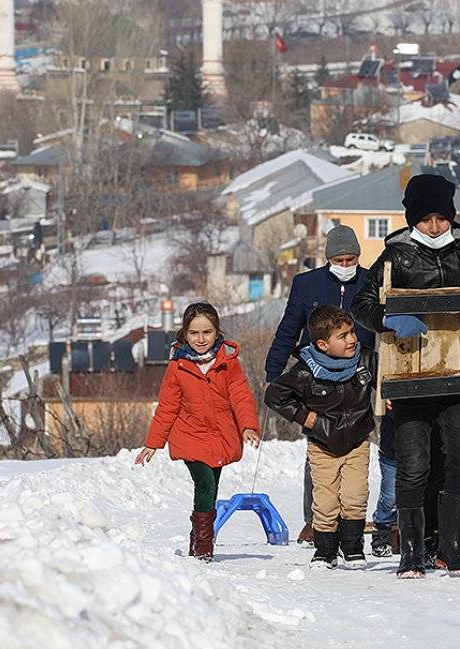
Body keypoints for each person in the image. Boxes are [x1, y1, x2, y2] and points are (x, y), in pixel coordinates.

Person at [352, 173, 460, 577]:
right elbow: (362, 304)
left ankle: (452, 547)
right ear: (412, 219)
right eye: (426, 220)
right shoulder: (396, 257)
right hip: (411, 377)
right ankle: (412, 550)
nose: (435, 227)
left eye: (442, 218)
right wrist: (390, 319)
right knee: (414, 465)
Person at [264, 224, 378, 548]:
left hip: (358, 371)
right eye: (340, 259)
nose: (346, 265)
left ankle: (348, 520)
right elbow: (288, 329)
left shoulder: (370, 282)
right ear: (329, 259)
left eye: (351, 258)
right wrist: (274, 371)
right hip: (316, 372)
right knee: (320, 444)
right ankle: (314, 521)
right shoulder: (306, 284)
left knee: (354, 442)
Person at [135, 302, 261, 562]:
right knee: (203, 482)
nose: (201, 339)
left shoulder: (229, 363)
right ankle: (205, 542)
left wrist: (248, 425)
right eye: (194, 333)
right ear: (185, 333)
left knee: (211, 486)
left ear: (217, 332)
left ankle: (197, 536)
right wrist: (153, 443)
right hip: (189, 434)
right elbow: (168, 406)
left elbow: (241, 397)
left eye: (207, 332)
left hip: (220, 435)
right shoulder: (177, 367)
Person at [265, 306, 377, 569]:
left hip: (357, 441)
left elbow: (386, 378)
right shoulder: (305, 371)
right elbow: (275, 396)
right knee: (325, 502)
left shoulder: (366, 360)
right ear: (323, 344)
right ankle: (325, 550)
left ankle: (352, 548)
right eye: (343, 336)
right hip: (322, 445)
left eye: (352, 333)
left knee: (355, 496)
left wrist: (389, 395)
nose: (352, 339)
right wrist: (308, 418)